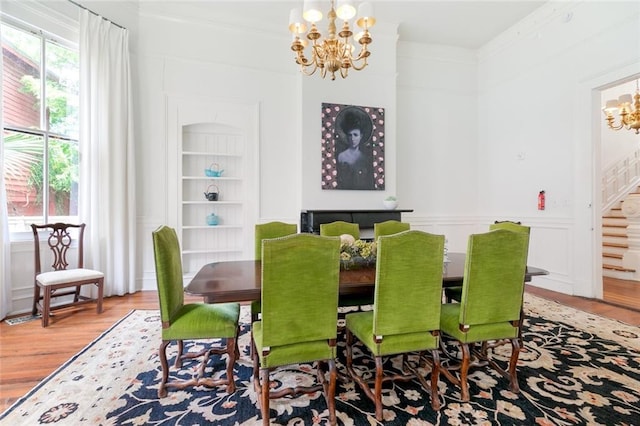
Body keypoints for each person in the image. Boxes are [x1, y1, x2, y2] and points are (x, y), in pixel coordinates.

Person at [336, 109, 374, 190]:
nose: (352, 138)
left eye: (355, 135)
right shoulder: (341, 156)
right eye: (350, 135)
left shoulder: (365, 157)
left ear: (361, 136)